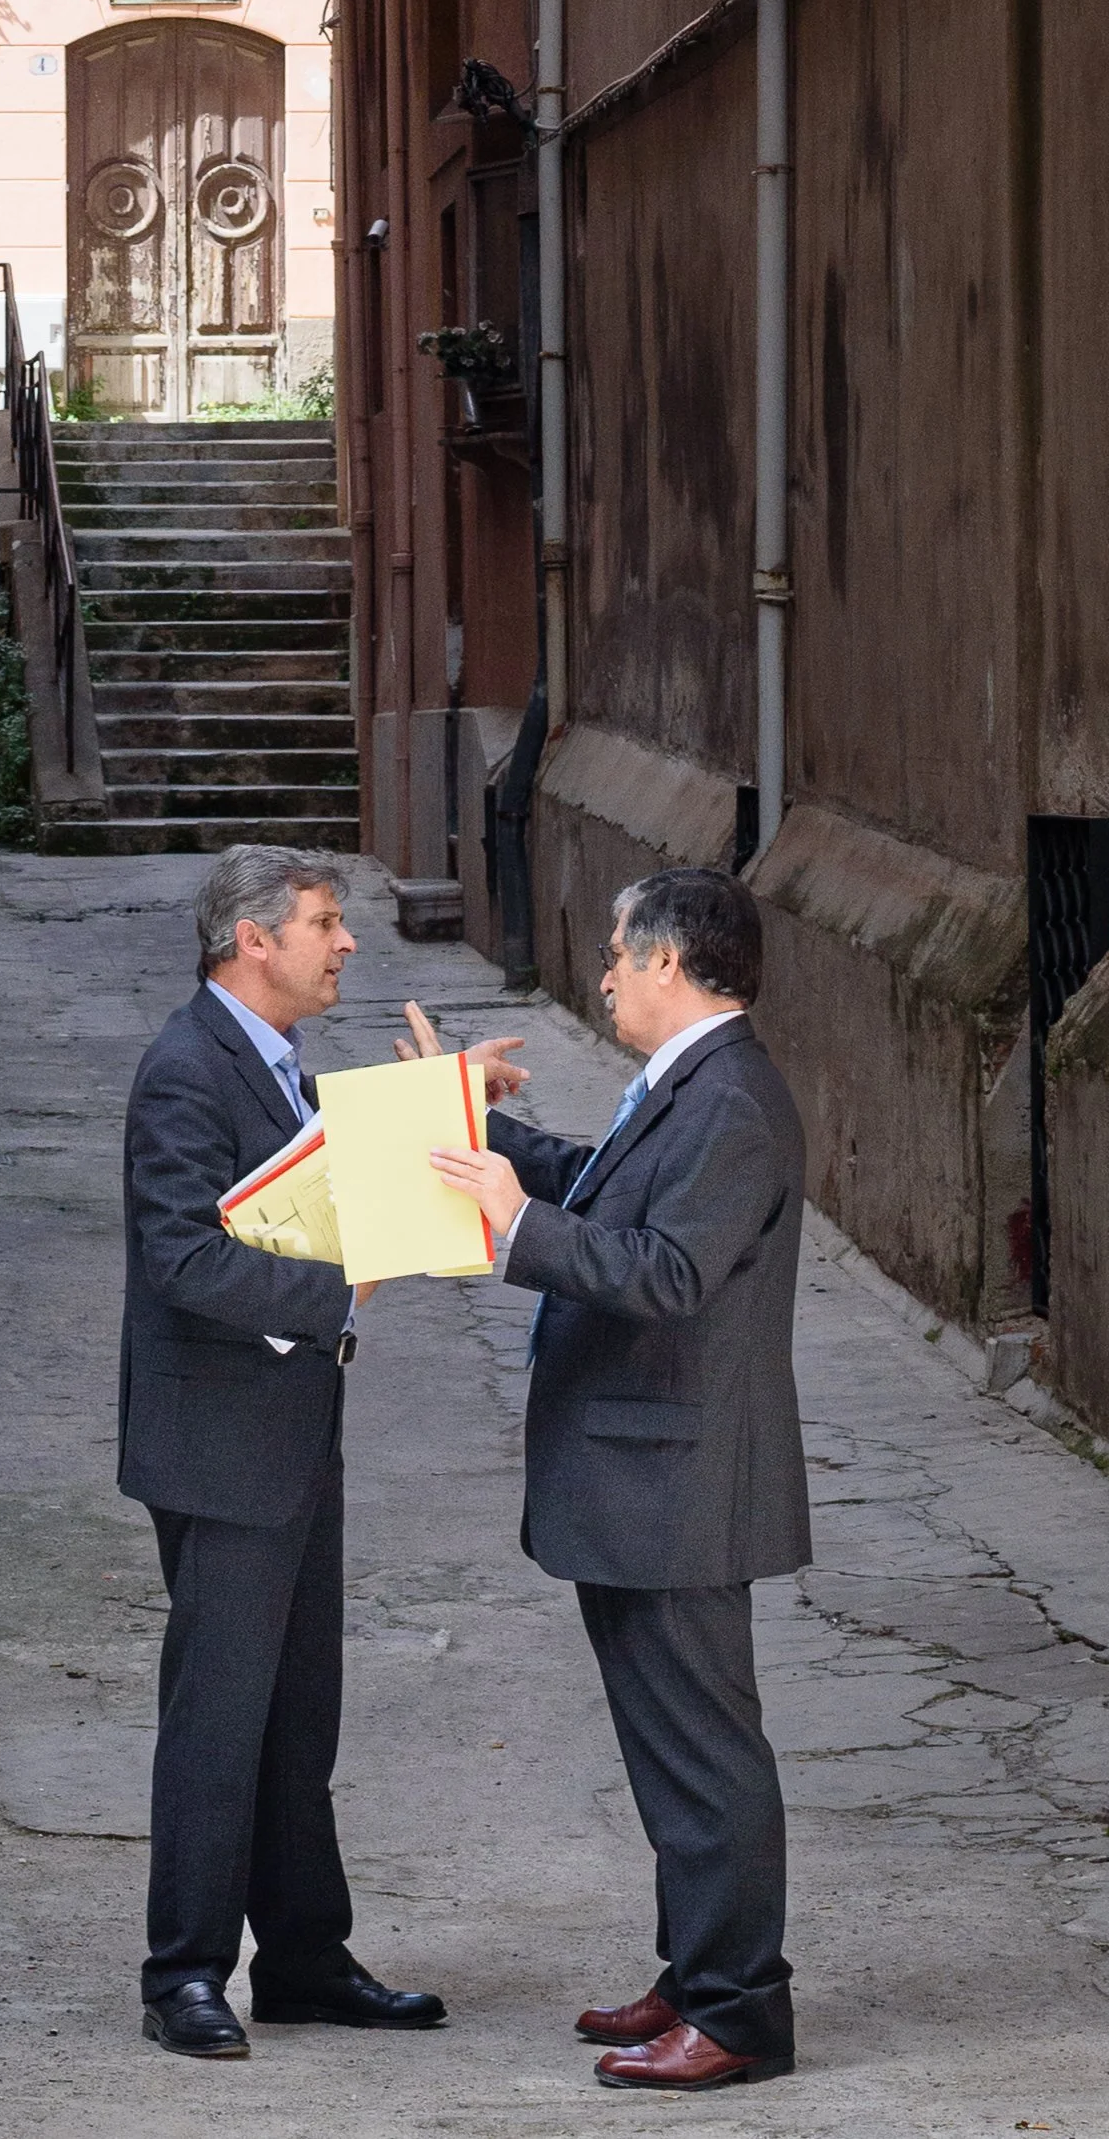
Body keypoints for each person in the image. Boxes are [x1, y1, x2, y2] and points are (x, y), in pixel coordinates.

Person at [421, 867, 810, 2090]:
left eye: (614, 950)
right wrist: (478, 1129)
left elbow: (668, 1271)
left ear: (667, 963)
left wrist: (509, 1225)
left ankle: (741, 2009)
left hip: (681, 1480)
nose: (599, 971)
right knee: (666, 1746)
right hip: (643, 1471)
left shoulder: (734, 1098)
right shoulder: (692, 1083)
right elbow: (606, 1182)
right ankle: (697, 1970)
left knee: (705, 1751)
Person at [119, 844, 447, 2060]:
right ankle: (185, 1973)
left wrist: (450, 1105)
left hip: (290, 1430)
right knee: (218, 1714)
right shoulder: (183, 1070)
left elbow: (325, 1178)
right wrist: (338, 1297)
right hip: (216, 1443)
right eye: (323, 921)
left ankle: (303, 1956)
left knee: (299, 1710)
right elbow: (182, 1259)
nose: (344, 941)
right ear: (251, 940)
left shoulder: (271, 1058)